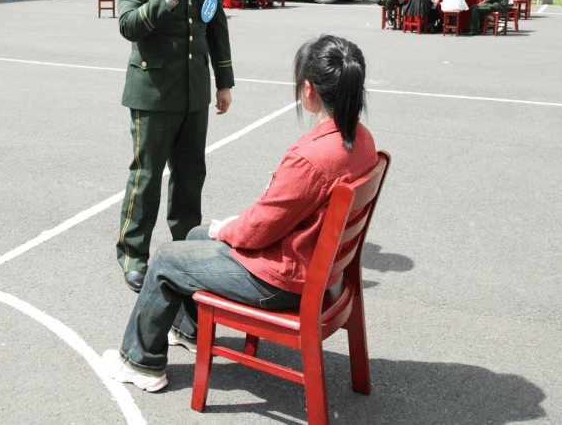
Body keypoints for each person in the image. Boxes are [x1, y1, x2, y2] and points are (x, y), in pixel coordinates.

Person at [101, 35, 378, 392]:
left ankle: (140, 364)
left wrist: (228, 230)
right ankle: (187, 330)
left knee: (168, 259)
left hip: (285, 282)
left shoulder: (313, 157)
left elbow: (262, 227)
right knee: (193, 235)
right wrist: (227, 229)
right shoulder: (362, 139)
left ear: (309, 90)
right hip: (319, 271)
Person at [115, 0, 235, 293]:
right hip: (151, 91)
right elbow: (129, 25)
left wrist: (224, 82)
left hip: (194, 90)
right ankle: (133, 254)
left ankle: (184, 249)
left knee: (190, 174)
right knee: (146, 176)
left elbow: (215, 27)